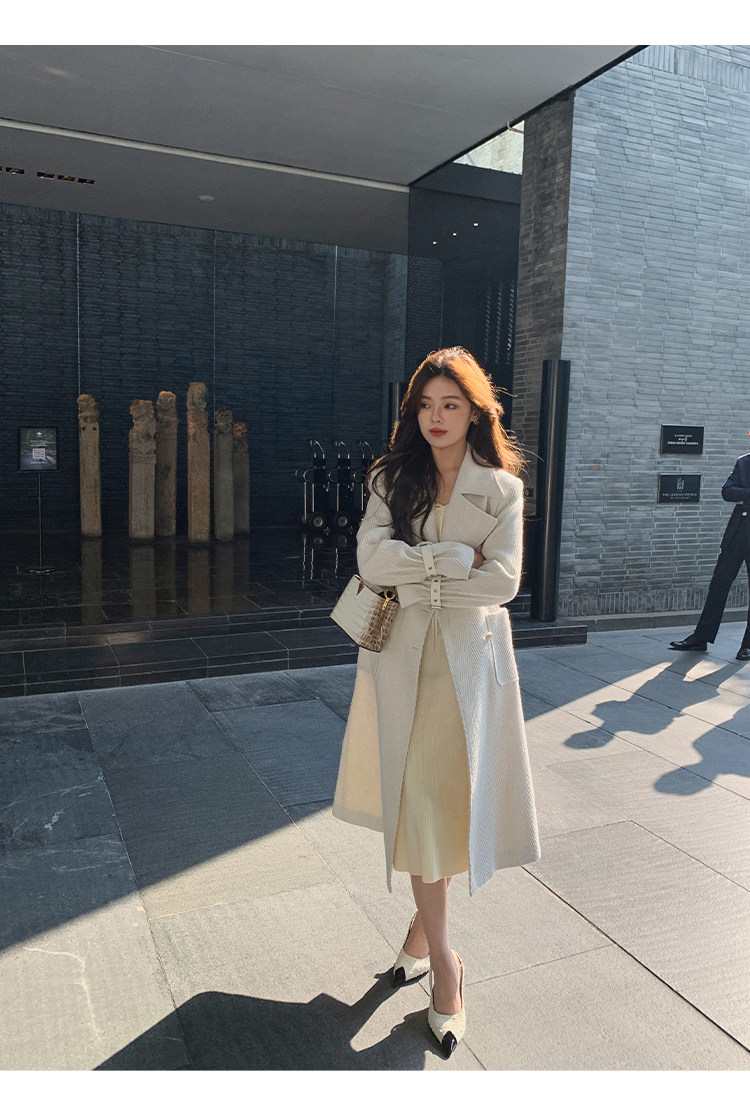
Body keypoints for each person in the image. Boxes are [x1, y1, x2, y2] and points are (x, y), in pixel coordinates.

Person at [332, 346, 540, 1056]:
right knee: (420, 801)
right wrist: (452, 561)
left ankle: (422, 934)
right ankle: (447, 967)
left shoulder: (502, 490)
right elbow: (370, 559)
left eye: (450, 404)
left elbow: (503, 583)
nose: (435, 418)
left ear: (476, 411)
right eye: (424, 405)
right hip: (403, 662)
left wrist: (416, 569)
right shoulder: (392, 478)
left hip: (468, 669)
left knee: (446, 803)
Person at [670, 450, 750, 661]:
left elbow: (736, 493)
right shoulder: (744, 462)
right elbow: (727, 492)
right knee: (718, 585)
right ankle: (701, 637)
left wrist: (743, 497)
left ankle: (748, 645)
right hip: (737, 533)